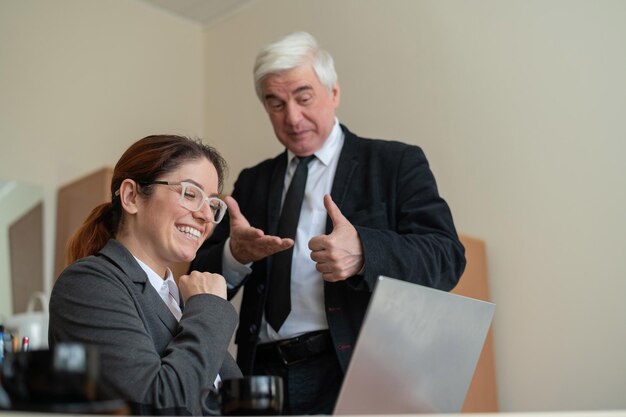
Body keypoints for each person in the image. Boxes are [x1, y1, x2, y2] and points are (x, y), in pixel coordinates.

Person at [191, 31, 466, 415]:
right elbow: (196, 274)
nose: (292, 117)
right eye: (275, 103)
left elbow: (447, 257)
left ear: (333, 92)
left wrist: (364, 253)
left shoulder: (393, 164)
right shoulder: (252, 183)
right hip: (259, 375)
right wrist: (235, 256)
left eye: (304, 98)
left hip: (350, 369)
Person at [49, 135, 242, 415]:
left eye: (213, 205)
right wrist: (210, 308)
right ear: (131, 196)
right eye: (190, 194)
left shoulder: (182, 298)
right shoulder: (88, 283)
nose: (205, 216)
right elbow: (158, 406)